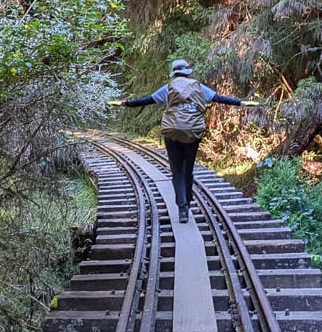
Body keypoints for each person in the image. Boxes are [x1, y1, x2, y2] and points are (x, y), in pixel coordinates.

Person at [109, 59, 256, 223]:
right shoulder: (198, 87)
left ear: (174, 73)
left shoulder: (168, 88)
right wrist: (241, 102)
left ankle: (183, 209)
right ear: (187, 72)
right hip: (192, 133)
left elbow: (146, 100)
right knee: (188, 170)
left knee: (177, 171)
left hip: (172, 133)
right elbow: (219, 98)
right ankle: (187, 201)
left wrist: (125, 103)